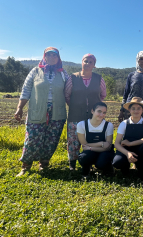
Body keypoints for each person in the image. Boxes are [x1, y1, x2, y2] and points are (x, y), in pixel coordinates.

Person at [14, 47, 69, 177]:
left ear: (58, 58)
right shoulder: (35, 71)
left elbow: (69, 92)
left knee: (51, 138)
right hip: (37, 110)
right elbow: (26, 90)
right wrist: (19, 108)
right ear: (44, 57)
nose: (51, 58)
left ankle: (44, 164)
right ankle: (25, 165)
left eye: (54, 56)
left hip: (57, 112)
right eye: (48, 55)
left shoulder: (63, 73)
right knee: (32, 138)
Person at [65, 53, 107, 171]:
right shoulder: (72, 77)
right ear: (81, 62)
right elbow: (67, 95)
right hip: (75, 114)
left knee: (91, 139)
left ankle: (88, 162)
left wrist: (95, 107)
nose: (88, 63)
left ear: (94, 65)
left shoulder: (99, 78)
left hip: (93, 118)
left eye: (90, 62)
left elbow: (103, 95)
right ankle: (72, 164)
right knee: (73, 140)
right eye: (85, 61)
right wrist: (75, 105)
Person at [113, 97, 143, 180]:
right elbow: (117, 143)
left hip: (140, 149)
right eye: (133, 108)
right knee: (117, 162)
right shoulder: (124, 123)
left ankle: (141, 169)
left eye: (139, 108)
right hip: (127, 149)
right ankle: (125, 168)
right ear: (129, 110)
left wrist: (130, 143)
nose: (136, 111)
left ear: (142, 110)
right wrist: (128, 153)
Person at [119, 51, 143, 132]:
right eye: (141, 59)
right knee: (130, 132)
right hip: (131, 109)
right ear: (137, 60)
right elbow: (126, 93)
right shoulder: (131, 75)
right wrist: (121, 110)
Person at [77, 102, 114, 177]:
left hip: (104, 152)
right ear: (92, 111)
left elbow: (108, 147)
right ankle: (86, 170)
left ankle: (108, 169)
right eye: (99, 111)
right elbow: (84, 144)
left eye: (104, 113)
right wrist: (101, 144)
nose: (101, 115)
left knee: (101, 163)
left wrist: (90, 147)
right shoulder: (81, 125)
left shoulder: (108, 125)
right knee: (83, 158)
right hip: (91, 151)